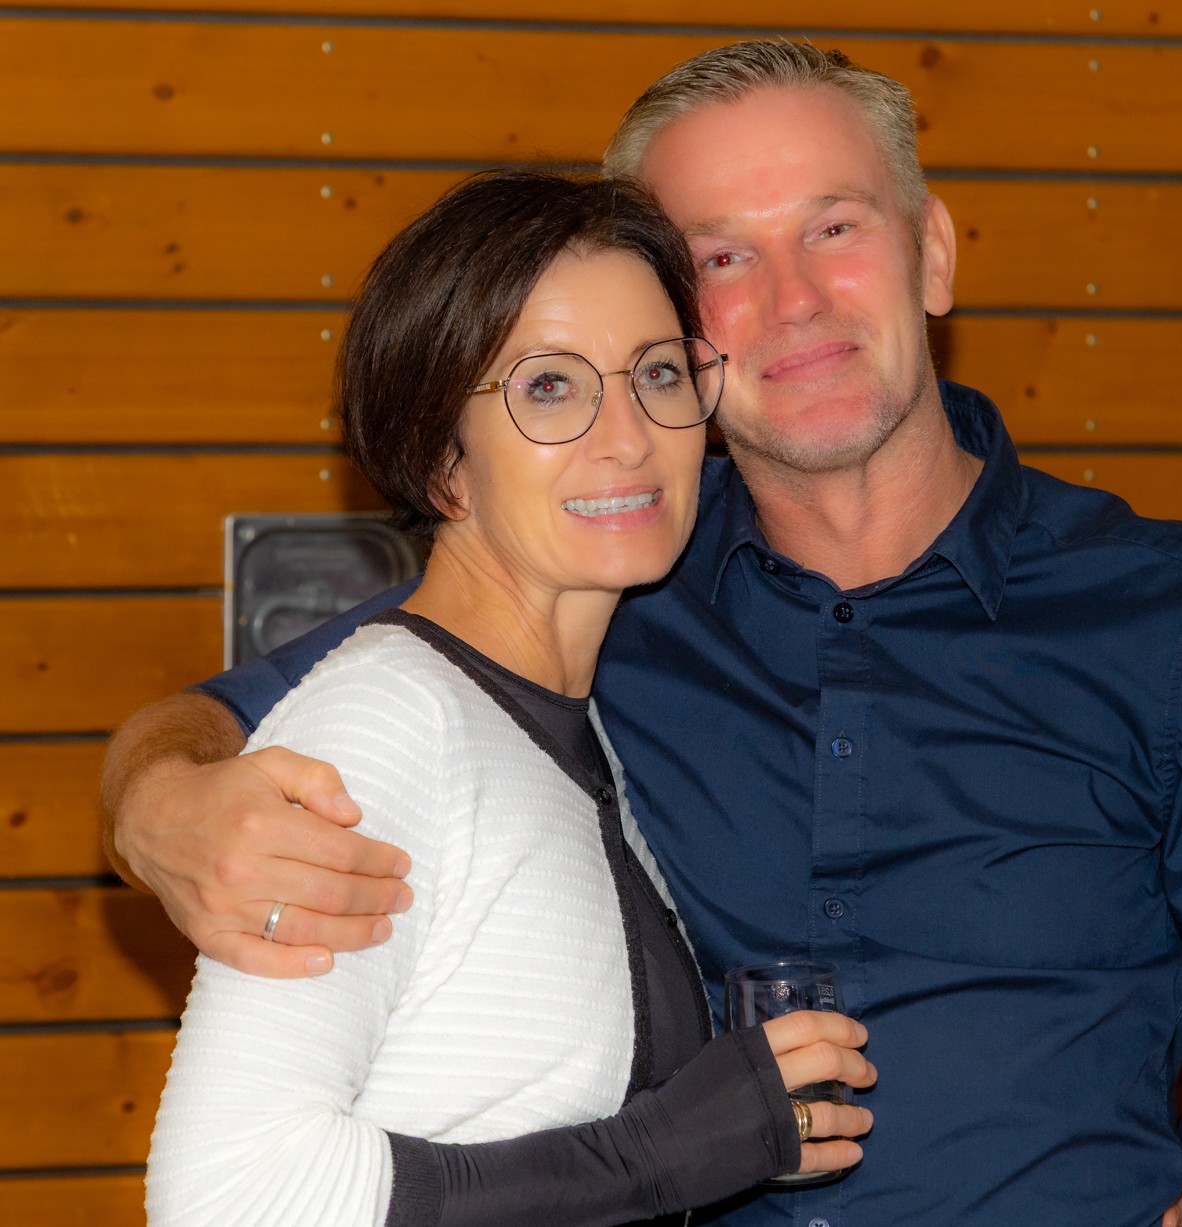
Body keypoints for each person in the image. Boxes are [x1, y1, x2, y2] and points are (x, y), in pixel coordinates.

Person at [108, 41, 1182, 1226]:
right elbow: (266, 711)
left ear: (932, 253)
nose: (793, 301)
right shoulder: (606, 572)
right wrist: (157, 801)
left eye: (834, 228)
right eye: (722, 258)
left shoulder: (1171, 615)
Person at [142, 169, 876, 1227]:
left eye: (658, 373)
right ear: (443, 460)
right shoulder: (393, 723)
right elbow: (229, 1196)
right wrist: (671, 1152)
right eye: (550, 388)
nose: (629, 437)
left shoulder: (564, 728)